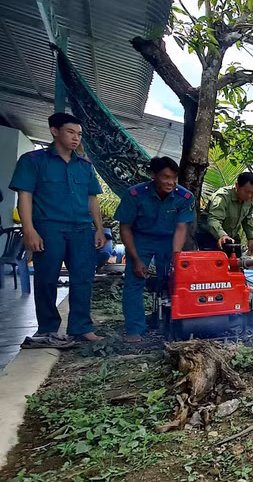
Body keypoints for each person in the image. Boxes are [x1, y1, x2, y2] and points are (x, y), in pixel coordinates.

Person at [9, 112, 107, 346]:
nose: (75, 138)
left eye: (79, 134)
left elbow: (92, 199)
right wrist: (29, 231)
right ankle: (48, 328)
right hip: (49, 228)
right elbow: (25, 196)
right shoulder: (32, 161)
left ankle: (81, 327)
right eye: (70, 132)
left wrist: (100, 229)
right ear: (54, 131)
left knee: (83, 278)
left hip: (82, 230)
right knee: (46, 278)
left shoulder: (84, 166)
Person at [114, 157, 194, 343]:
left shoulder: (185, 197)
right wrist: (135, 258)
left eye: (174, 178)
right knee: (135, 282)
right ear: (153, 176)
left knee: (173, 280)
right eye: (166, 177)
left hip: (169, 240)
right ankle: (134, 329)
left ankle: (173, 324)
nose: (171, 182)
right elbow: (125, 227)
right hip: (140, 239)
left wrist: (176, 256)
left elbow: (182, 228)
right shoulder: (134, 195)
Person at [197, 172, 253, 255]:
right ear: (237, 186)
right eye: (247, 192)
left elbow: (247, 219)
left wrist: (250, 238)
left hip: (231, 238)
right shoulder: (222, 197)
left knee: (236, 264)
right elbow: (214, 220)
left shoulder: (251, 199)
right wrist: (222, 236)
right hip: (210, 237)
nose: (249, 196)